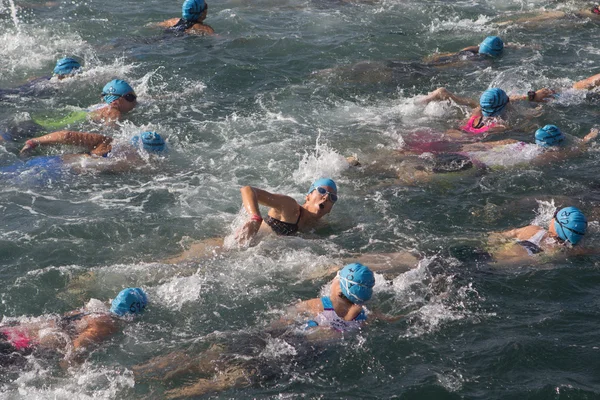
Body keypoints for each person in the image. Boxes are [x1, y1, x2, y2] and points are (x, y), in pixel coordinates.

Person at [133, 264, 393, 398]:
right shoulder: (364, 319)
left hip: (278, 339)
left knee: (205, 358)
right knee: (227, 380)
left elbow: (279, 323)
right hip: (299, 355)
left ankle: (141, 372)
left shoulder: (316, 305)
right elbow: (394, 319)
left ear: (337, 284)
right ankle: (174, 395)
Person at [346, 125, 598, 184]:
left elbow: (478, 146)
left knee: (415, 161)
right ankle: (376, 186)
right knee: (419, 179)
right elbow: (574, 152)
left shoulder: (514, 141)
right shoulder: (544, 156)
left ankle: (364, 165)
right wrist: (588, 138)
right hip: (472, 166)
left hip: (461, 153)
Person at [165, 178, 339, 263]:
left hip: (248, 261)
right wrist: (255, 218)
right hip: (231, 248)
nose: (326, 198)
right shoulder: (290, 207)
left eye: (332, 197)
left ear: (331, 209)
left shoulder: (319, 227)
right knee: (177, 265)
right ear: (308, 196)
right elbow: (248, 190)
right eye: (322, 191)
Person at [0, 287, 147, 369]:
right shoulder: (107, 324)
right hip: (22, 349)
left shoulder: (91, 310)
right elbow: (76, 350)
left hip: (10, 332)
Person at [0, 130, 166, 182]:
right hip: (58, 174)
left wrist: (34, 142)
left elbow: (67, 136)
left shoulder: (110, 143)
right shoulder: (138, 163)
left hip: (52, 161)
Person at [420, 87, 555, 138]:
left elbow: (501, 101)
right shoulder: (500, 126)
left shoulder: (476, 114)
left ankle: (441, 93)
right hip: (467, 140)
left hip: (460, 131)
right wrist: (537, 113)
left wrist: (530, 96)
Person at [486, 206, 591, 265]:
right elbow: (590, 250)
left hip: (489, 256)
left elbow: (497, 236)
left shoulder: (533, 230)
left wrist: (492, 240)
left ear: (555, 223)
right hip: (500, 267)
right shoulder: (563, 251)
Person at [424, 36, 504, 67]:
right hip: (453, 65)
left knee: (428, 63)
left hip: (449, 58)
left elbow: (480, 47)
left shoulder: (469, 50)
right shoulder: (486, 61)